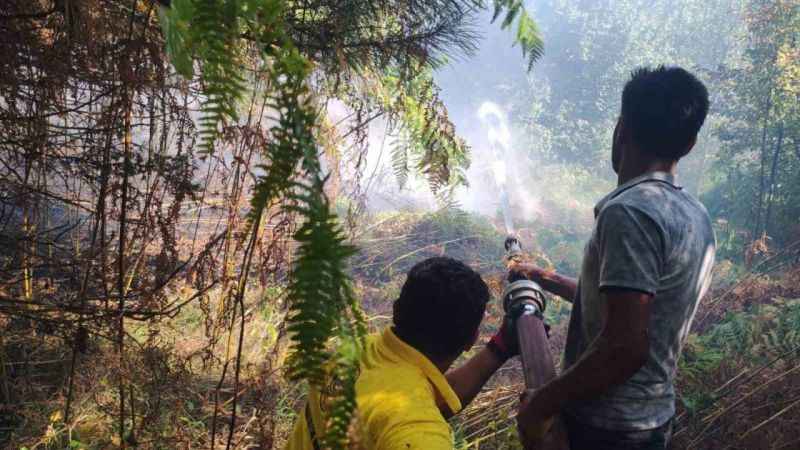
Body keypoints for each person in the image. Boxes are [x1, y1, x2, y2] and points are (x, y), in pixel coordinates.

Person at [513, 65, 716, 450]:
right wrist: (541, 276)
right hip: (651, 422)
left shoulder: (630, 213)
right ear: (689, 145)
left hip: (606, 428)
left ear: (620, 129)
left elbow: (625, 346)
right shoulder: (695, 214)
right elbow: (630, 312)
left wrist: (541, 403)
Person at [285, 256, 518, 450]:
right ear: (471, 340)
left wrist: (500, 348)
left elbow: (421, 402)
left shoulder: (361, 349)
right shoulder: (419, 433)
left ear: (396, 310)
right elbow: (411, 417)